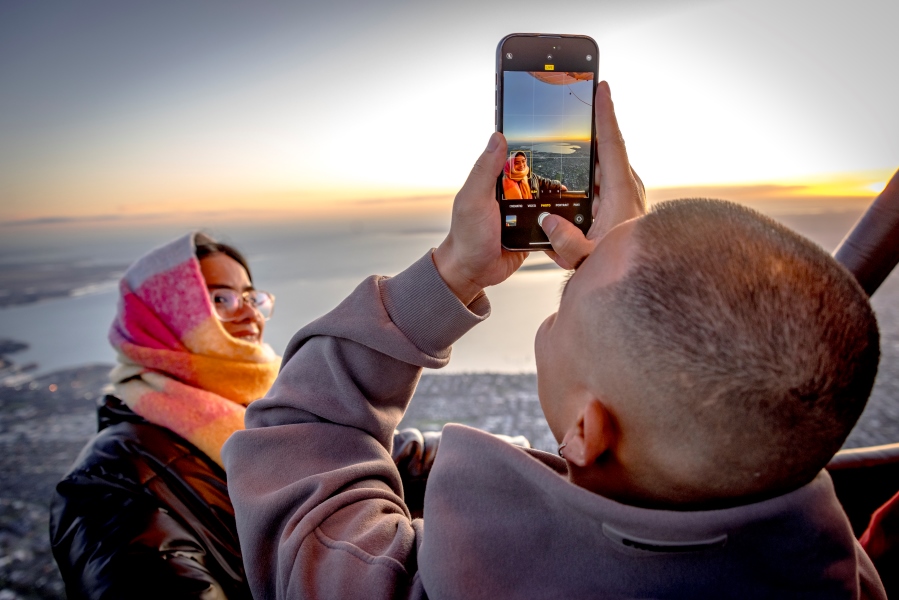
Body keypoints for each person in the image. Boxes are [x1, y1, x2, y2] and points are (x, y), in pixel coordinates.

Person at [222, 82, 886, 599]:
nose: (566, 269)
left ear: (584, 429)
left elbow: (303, 429)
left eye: (564, 301)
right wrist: (640, 264)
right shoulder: (843, 577)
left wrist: (454, 268)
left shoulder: (397, 585)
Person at [49, 232, 281, 599]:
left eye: (253, 297)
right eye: (221, 299)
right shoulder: (112, 481)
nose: (251, 314)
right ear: (162, 317)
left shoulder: (268, 418)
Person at [502, 150, 567, 200]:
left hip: (532, 209)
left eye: (523, 161)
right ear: (511, 165)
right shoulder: (503, 182)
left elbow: (544, 182)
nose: (521, 165)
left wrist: (559, 185)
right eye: (517, 163)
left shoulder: (531, 176)